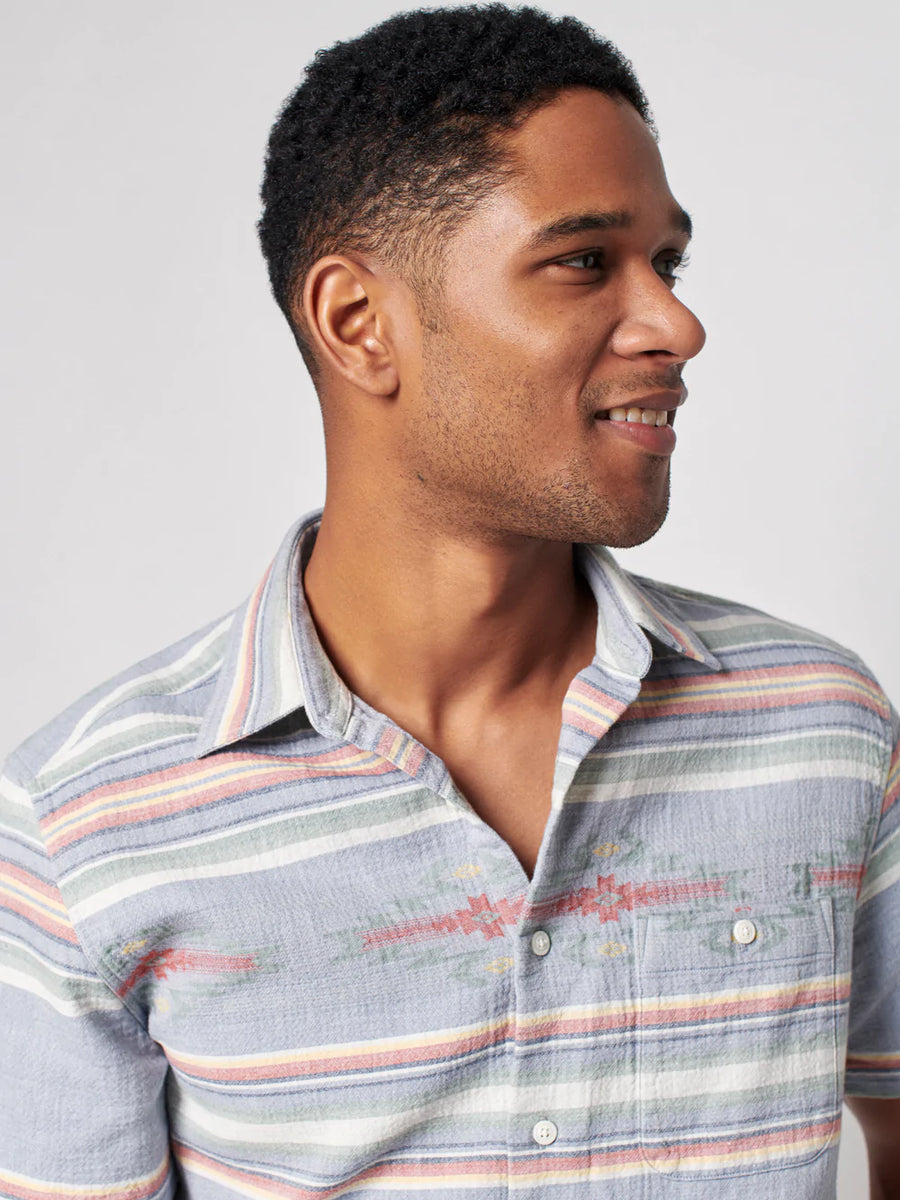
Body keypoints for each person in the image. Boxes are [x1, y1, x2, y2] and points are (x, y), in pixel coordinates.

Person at [1, 4, 897, 1196]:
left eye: (667, 263)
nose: (678, 324)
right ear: (358, 324)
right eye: (585, 261)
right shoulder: (84, 826)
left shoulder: (823, 727)